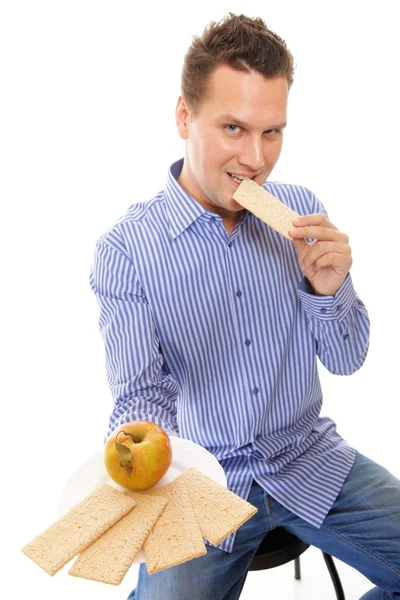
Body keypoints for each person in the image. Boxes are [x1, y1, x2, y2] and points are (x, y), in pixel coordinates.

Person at [89, 13, 400, 600]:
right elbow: (138, 395)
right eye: (233, 127)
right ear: (184, 115)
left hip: (310, 457)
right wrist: (139, 446)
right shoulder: (127, 250)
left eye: (272, 132)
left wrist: (331, 288)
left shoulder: (301, 212)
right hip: (200, 486)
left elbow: (348, 358)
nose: (255, 158)